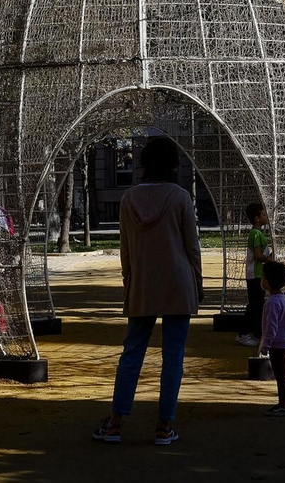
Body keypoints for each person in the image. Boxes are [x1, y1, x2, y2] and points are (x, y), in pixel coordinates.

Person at [91, 136, 202, 447]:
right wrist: (198, 284)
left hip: (141, 284)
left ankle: (114, 424)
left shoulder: (128, 199)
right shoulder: (180, 197)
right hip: (178, 285)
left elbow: (125, 251)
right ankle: (164, 428)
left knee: (131, 354)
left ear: (143, 165)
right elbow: (192, 249)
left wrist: (130, 284)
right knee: (174, 357)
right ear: (172, 165)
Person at [259, 259, 285, 417]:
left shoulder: (272, 302)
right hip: (284, 341)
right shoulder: (283, 299)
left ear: (267, 281)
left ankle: (284, 403)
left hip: (277, 344)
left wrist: (265, 346)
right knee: (281, 373)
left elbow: (271, 327)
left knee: (280, 374)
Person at [236, 201, 272, 348]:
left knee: (257, 306)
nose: (266, 216)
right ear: (257, 218)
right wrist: (269, 258)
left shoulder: (258, 233)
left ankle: (257, 334)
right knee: (254, 306)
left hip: (259, 275)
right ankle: (242, 334)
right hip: (255, 275)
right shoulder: (255, 234)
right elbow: (258, 255)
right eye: (263, 214)